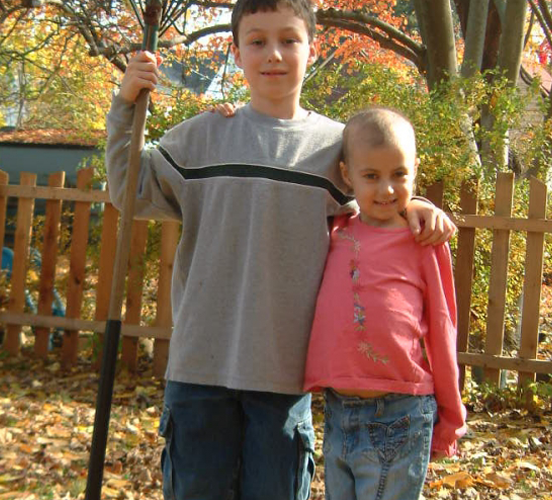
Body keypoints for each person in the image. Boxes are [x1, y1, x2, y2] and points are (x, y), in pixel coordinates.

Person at [105, 1, 457, 498]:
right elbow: (128, 190)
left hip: (284, 375)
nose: (273, 54)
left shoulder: (335, 148)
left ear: (312, 49)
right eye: (257, 41)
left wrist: (413, 204)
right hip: (200, 369)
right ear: (237, 51)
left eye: (289, 39)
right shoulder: (202, 137)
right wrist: (125, 103)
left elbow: (378, 192)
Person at [303, 107, 467, 500]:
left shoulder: (423, 241)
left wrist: (451, 415)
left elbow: (443, 326)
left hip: (402, 413)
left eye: (399, 175)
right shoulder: (335, 231)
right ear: (347, 174)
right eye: (371, 176)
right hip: (339, 411)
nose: (387, 190)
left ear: (415, 169)